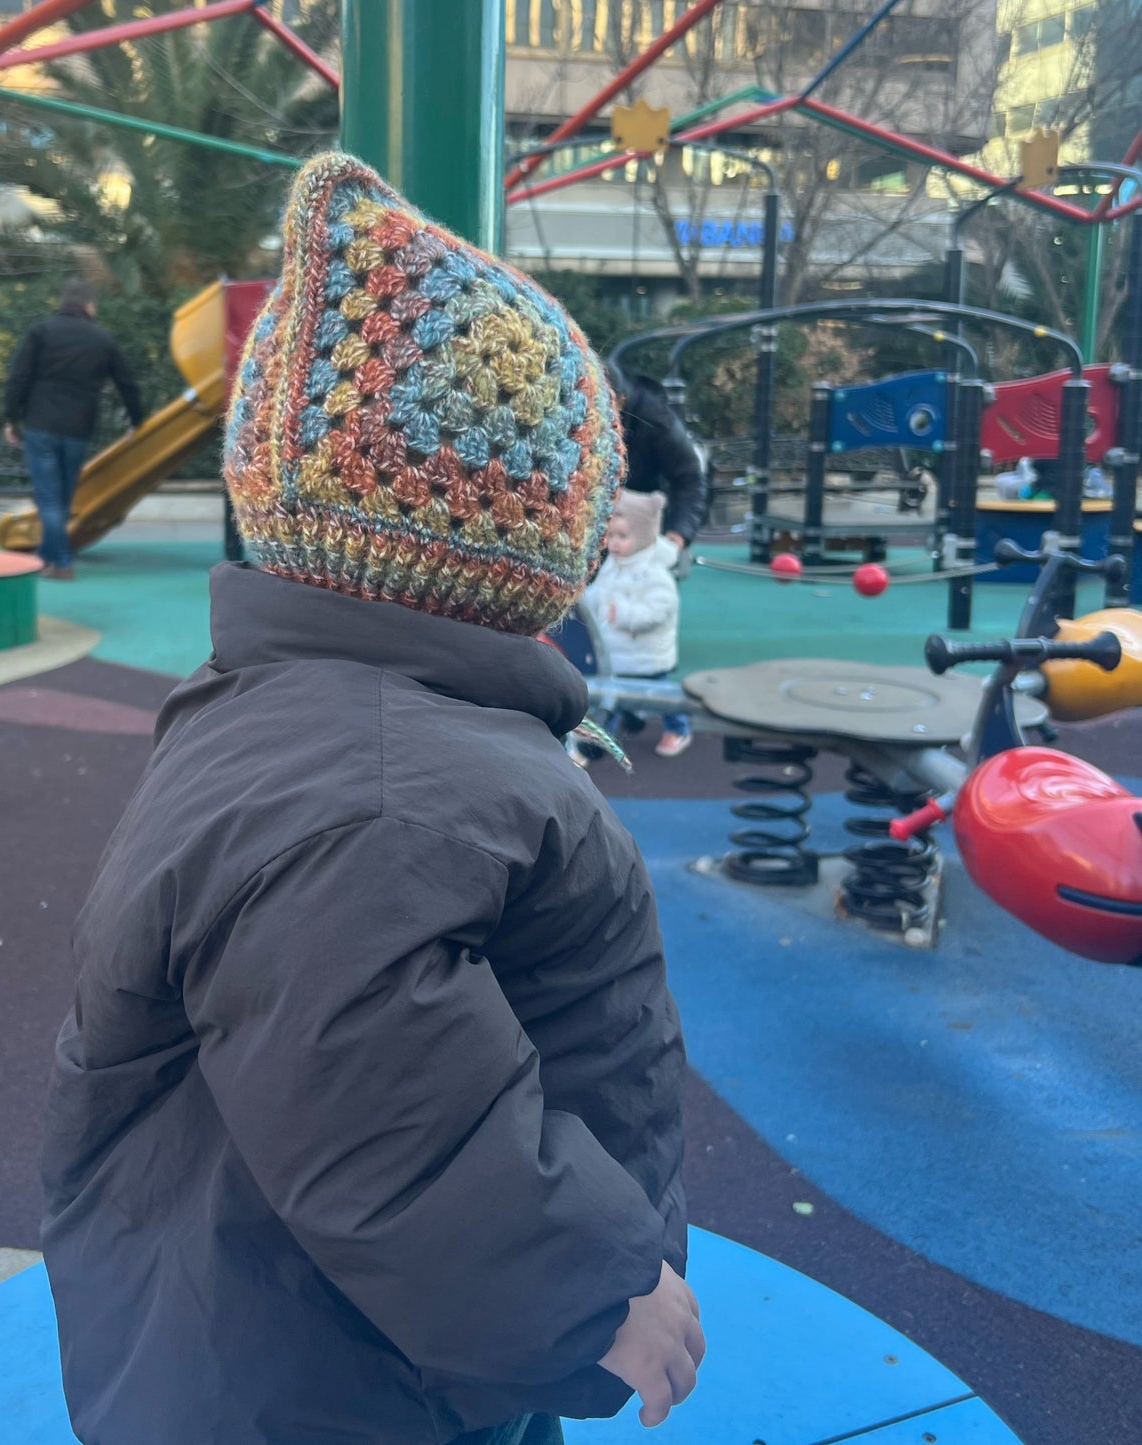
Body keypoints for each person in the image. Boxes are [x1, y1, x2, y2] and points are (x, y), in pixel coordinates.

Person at [40, 152, 703, 1445]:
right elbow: (378, 1088)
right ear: (531, 528)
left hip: (346, 1332)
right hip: (331, 1376)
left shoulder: (345, 718)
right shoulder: (380, 782)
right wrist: (581, 1290)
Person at [3, 278, 144, 579]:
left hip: (40, 424)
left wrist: (10, 417)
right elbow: (127, 383)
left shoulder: (40, 331)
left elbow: (18, 376)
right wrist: (136, 420)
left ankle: (62, 562)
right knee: (63, 498)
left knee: (48, 497)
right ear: (89, 305)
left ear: (62, 302)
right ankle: (48, 555)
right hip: (78, 428)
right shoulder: (101, 339)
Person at [583, 488, 691, 760]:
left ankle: (679, 729)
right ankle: (607, 734)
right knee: (615, 693)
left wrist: (625, 614)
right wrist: (583, 603)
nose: (615, 543)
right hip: (619, 651)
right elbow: (600, 593)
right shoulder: (615, 564)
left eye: (623, 536)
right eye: (612, 536)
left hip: (646, 654)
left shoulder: (654, 572)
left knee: (662, 697)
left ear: (642, 537)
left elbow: (660, 609)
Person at [604, 362, 709, 554]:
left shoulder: (657, 421)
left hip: (646, 512)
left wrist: (678, 532)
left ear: (620, 402)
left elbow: (689, 478)